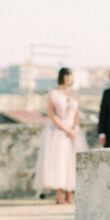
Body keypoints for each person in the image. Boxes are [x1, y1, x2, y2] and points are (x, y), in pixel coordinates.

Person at [34, 67, 88, 204]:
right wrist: (65, 129)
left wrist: (75, 128)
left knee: (72, 161)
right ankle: (59, 193)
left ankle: (70, 192)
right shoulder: (53, 93)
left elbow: (76, 113)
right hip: (58, 130)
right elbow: (51, 114)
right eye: (66, 76)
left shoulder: (75, 93)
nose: (68, 78)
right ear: (61, 77)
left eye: (70, 76)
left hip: (73, 130)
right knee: (58, 161)